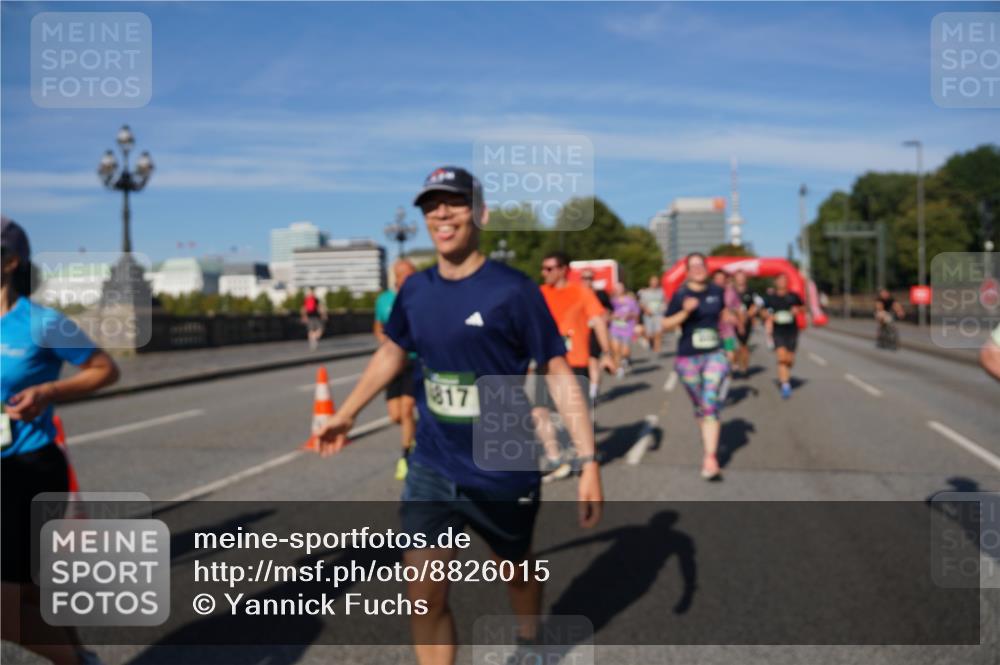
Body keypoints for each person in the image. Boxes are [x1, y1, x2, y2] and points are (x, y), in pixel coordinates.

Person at [316, 166, 602, 665]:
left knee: (516, 571)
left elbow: (557, 370)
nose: (441, 213)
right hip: (433, 462)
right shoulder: (416, 290)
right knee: (423, 594)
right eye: (432, 205)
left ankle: (530, 639)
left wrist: (589, 461)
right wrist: (347, 413)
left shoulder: (514, 290)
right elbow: (393, 351)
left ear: (480, 213)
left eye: (455, 202)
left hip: (501, 460)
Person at [1, 217, 120, 665]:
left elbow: (105, 369)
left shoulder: (42, 322)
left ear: (10, 262)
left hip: (26, 469)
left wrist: (48, 391)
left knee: (6, 608)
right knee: (34, 589)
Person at [534, 252, 615, 480]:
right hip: (546, 362)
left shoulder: (581, 292)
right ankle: (554, 458)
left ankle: (584, 456)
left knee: (573, 414)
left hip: (574, 361)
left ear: (563, 270)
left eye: (550, 268)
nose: (545, 273)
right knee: (538, 410)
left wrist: (607, 353)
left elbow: (598, 321)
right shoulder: (540, 293)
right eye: (543, 268)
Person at [662, 253, 728, 481]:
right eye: (693, 266)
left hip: (714, 354)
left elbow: (723, 316)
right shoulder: (681, 294)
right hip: (688, 357)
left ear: (707, 268)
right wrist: (685, 312)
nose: (698, 268)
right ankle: (708, 434)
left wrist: (730, 342)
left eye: (701, 265)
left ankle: (710, 457)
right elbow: (666, 324)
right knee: (700, 405)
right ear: (687, 271)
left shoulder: (717, 291)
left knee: (710, 402)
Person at [374, 259, 418, 480]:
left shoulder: (421, 297)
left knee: (407, 409)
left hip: (414, 361)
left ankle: (406, 456)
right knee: (395, 416)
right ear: (396, 277)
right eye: (403, 275)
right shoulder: (384, 300)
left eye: (411, 274)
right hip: (393, 363)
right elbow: (378, 325)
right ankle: (416, 432)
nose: (408, 278)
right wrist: (385, 342)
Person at [763, 274, 804, 400]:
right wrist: (768, 315)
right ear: (776, 282)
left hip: (791, 331)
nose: (782, 282)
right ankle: (785, 385)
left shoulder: (793, 296)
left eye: (784, 280)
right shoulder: (771, 297)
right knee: (781, 357)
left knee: (789, 359)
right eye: (779, 280)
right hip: (777, 331)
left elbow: (803, 307)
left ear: (787, 282)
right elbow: (763, 311)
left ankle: (787, 372)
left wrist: (798, 310)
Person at [582, 270, 614, 401]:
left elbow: (609, 310)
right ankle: (590, 386)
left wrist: (604, 320)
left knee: (593, 359)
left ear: (593, 279)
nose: (587, 280)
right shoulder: (577, 294)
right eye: (584, 278)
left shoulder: (600, 294)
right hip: (580, 333)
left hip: (595, 332)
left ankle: (593, 390)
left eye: (589, 278)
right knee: (583, 363)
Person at [609, 283, 640, 378]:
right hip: (614, 328)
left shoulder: (630, 301)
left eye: (620, 288)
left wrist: (629, 316)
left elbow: (636, 313)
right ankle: (619, 369)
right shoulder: (611, 301)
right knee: (616, 350)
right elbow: (606, 313)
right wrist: (613, 316)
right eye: (616, 288)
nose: (618, 290)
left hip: (627, 329)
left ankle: (626, 359)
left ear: (623, 289)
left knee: (625, 352)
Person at [732, 270, 759, 377]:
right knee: (730, 346)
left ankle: (744, 368)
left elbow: (756, 305)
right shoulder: (730, 291)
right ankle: (733, 364)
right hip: (731, 323)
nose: (740, 279)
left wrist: (747, 316)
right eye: (738, 277)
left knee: (743, 346)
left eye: (742, 277)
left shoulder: (751, 291)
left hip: (746, 323)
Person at [638, 275, 667, 354]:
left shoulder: (661, 291)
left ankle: (657, 350)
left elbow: (665, 301)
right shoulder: (645, 292)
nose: (654, 283)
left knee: (658, 332)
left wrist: (664, 307)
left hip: (659, 314)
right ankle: (648, 340)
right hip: (649, 315)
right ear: (650, 282)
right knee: (650, 334)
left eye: (656, 281)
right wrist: (646, 309)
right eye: (653, 281)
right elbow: (641, 303)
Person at [300, 286, 327, 350]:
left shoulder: (306, 299)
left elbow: (303, 308)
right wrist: (324, 314)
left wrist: (304, 316)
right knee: (320, 329)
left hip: (310, 316)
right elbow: (320, 307)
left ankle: (312, 341)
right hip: (315, 316)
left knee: (311, 330)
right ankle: (313, 340)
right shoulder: (315, 299)